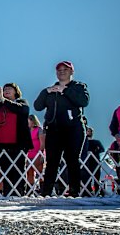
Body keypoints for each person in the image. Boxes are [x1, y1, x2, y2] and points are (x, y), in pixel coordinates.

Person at [34, 61, 89, 197]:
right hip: (54, 129)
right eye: (59, 70)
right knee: (52, 161)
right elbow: (38, 106)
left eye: (65, 69)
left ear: (71, 72)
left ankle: (74, 191)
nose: (62, 72)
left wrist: (65, 90)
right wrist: (46, 91)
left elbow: (83, 101)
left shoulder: (78, 87)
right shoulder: (51, 90)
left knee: (72, 160)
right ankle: (46, 192)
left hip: (73, 129)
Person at [0, 83, 32, 196]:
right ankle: (0, 193)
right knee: (2, 171)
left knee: (17, 170)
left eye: (10, 88)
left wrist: (3, 99)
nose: (6, 90)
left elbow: (23, 111)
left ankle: (18, 193)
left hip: (17, 144)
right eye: (4, 89)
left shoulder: (21, 102)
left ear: (16, 91)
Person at [26, 115, 45, 193]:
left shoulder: (39, 130)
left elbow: (42, 143)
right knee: (29, 172)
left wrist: (41, 153)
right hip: (28, 154)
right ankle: (30, 190)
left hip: (37, 154)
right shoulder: (27, 131)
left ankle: (42, 188)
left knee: (40, 172)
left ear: (33, 121)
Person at [85, 125, 104, 194]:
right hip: (87, 162)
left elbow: (102, 149)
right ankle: (87, 191)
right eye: (88, 131)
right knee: (87, 177)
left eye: (91, 131)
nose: (89, 132)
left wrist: (95, 151)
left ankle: (97, 191)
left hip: (96, 161)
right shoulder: (84, 142)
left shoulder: (96, 142)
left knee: (97, 177)